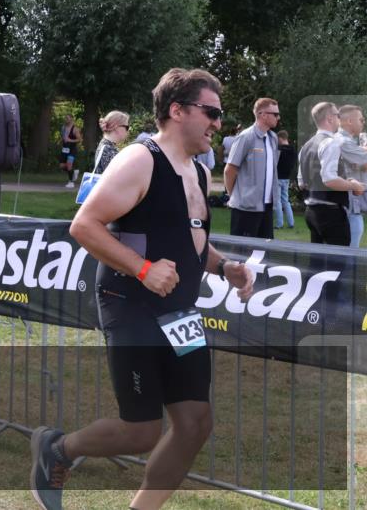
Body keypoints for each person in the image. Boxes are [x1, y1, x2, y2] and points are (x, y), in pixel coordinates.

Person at [32, 68, 254, 510]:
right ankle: (57, 449)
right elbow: (84, 225)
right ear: (177, 111)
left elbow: (188, 237)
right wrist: (142, 269)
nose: (218, 123)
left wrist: (224, 266)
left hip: (180, 310)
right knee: (141, 430)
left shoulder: (197, 170)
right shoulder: (140, 159)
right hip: (131, 304)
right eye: (211, 112)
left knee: (195, 423)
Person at [297, 102, 365, 247]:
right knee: (340, 259)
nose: (340, 118)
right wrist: (353, 185)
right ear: (330, 118)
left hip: (311, 212)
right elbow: (329, 179)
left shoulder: (306, 146)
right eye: (338, 115)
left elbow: (301, 182)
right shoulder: (331, 143)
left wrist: (346, 181)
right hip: (330, 212)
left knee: (317, 258)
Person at [224, 98, 280, 239]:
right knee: (242, 250)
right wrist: (235, 196)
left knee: (264, 250)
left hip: (267, 207)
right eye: (275, 114)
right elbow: (230, 170)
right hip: (245, 208)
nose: (278, 117)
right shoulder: (245, 137)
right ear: (263, 115)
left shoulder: (273, 138)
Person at [336, 105, 367, 247]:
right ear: (349, 121)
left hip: (350, 203)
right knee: (349, 252)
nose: (363, 122)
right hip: (348, 205)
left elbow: (362, 165)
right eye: (361, 119)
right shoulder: (344, 141)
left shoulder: (346, 141)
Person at [93, 110, 130, 175]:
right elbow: (120, 176)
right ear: (116, 127)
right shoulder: (108, 149)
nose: (128, 130)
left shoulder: (106, 145)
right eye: (127, 127)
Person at [273, 130, 296, 230]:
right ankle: (291, 223)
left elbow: (274, 163)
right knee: (285, 201)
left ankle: (279, 223)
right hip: (287, 178)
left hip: (278, 177)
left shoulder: (279, 149)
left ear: (280, 138)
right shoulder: (293, 150)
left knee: (277, 201)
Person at [59, 114, 82, 188]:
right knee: (62, 166)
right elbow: (63, 137)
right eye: (65, 118)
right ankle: (73, 172)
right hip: (64, 149)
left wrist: (70, 140)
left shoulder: (75, 129)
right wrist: (61, 141)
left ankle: (71, 182)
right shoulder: (63, 128)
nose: (66, 119)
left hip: (72, 149)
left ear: (72, 119)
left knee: (69, 164)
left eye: (68, 118)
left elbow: (79, 139)